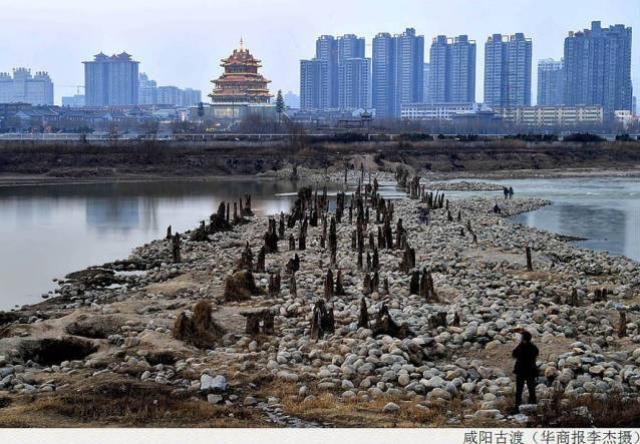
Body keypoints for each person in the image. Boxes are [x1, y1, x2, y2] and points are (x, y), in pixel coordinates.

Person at [512, 330, 539, 412]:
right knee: (531, 389)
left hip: (522, 371)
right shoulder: (533, 348)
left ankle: (517, 407)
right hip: (530, 371)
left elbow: (514, 354)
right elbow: (536, 353)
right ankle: (533, 406)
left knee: (519, 390)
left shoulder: (521, 347)